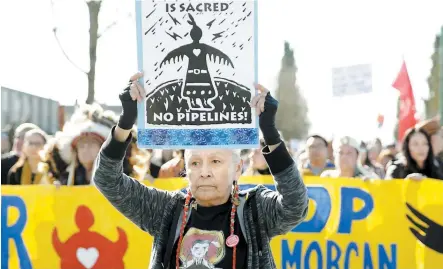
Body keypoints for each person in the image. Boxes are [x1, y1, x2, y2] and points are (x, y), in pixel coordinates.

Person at [93, 72, 309, 269]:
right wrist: (125, 124)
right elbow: (106, 179)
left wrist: (270, 135)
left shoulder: (255, 209)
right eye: (195, 163)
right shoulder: (166, 209)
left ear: (237, 169)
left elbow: (295, 207)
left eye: (215, 161)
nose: (204, 172)